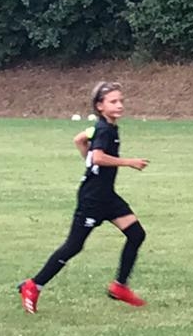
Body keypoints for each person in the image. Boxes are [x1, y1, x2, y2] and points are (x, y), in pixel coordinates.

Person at [19, 82, 150, 313]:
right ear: (100, 106)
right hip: (92, 199)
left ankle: (119, 287)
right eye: (113, 101)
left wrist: (90, 163)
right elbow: (98, 157)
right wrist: (128, 162)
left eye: (121, 101)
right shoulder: (104, 130)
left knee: (136, 233)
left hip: (107, 196)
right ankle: (33, 285)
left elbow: (79, 139)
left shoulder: (105, 127)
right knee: (73, 246)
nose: (119, 105)